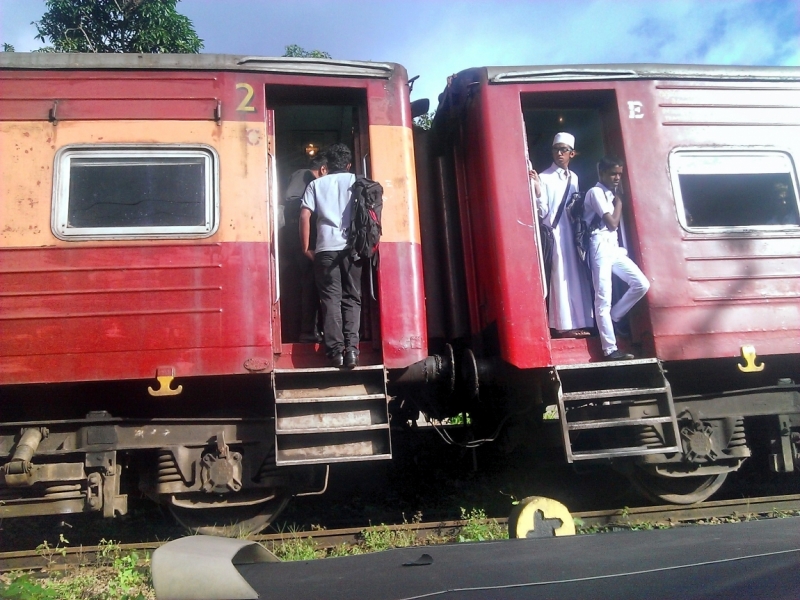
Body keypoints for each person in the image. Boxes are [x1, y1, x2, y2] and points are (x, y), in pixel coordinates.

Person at [299, 143, 361, 368]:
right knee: (352, 298)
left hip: (325, 248)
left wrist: (306, 247)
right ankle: (352, 350)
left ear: (327, 166)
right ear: (348, 164)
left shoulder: (316, 184)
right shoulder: (357, 181)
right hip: (352, 248)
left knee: (330, 299)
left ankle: (335, 352)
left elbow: (304, 216)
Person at [583, 156, 650, 361]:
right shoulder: (595, 192)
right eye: (613, 174)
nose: (617, 178)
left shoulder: (609, 193)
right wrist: (619, 201)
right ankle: (609, 349)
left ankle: (615, 316)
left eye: (619, 174)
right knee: (603, 297)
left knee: (641, 284)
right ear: (601, 173)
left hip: (612, 246)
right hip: (599, 245)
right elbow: (612, 223)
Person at [531, 133, 594, 337]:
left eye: (564, 149)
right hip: (556, 234)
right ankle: (564, 326)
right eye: (556, 149)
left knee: (576, 277)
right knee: (561, 277)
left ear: (571, 153)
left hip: (573, 233)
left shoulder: (574, 177)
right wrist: (539, 191)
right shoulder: (544, 177)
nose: (559, 153)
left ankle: (581, 321)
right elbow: (542, 213)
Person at [281, 155, 327, 343]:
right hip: (301, 240)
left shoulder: (297, 177)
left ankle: (305, 330)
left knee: (302, 286)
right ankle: (308, 331)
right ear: (323, 169)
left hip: (294, 240)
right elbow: (300, 212)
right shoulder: (306, 179)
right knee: (309, 285)